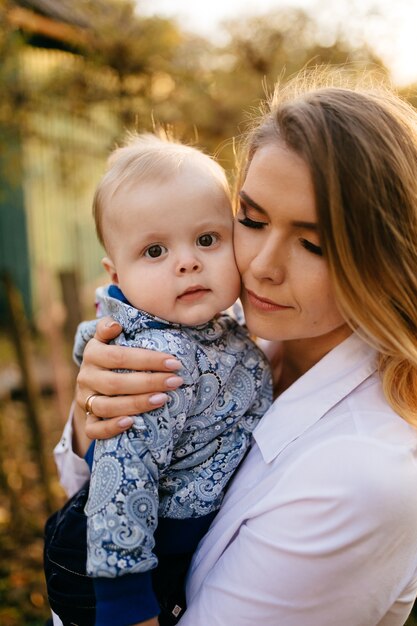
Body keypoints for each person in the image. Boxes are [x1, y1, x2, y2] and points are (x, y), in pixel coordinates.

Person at [55, 71, 417, 625]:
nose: (262, 266)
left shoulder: (364, 476)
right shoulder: (226, 335)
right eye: (250, 219)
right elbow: (91, 480)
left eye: (314, 244)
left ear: (384, 258)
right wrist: (95, 417)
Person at [48, 132, 272, 626]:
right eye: (154, 251)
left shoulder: (222, 324)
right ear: (115, 274)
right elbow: (120, 477)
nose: (188, 261)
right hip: (120, 561)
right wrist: (127, 605)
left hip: (167, 544)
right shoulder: (155, 361)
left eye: (207, 240)